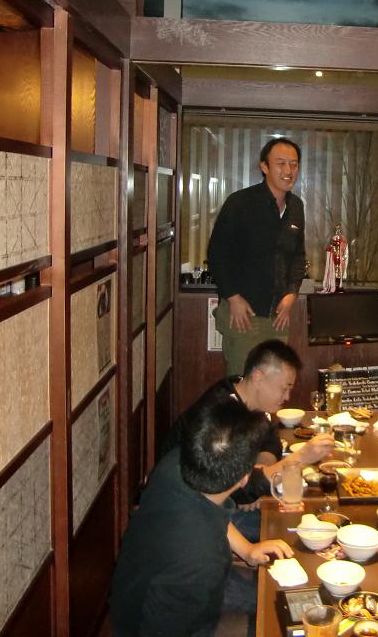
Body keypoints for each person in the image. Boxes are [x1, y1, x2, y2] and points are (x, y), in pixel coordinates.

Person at [110, 398, 294, 637]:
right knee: (277, 608)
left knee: (274, 595)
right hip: (148, 619)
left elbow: (214, 511)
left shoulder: (180, 462)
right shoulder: (202, 560)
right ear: (244, 478)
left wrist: (247, 549)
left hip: (137, 584)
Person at [161, 340, 334, 540]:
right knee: (288, 528)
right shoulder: (221, 415)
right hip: (191, 512)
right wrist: (300, 458)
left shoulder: (244, 393)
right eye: (284, 388)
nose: (287, 396)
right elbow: (231, 489)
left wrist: (258, 473)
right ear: (258, 377)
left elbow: (270, 439)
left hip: (220, 500)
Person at [207, 137, 306, 375]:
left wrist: (292, 294)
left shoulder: (296, 206)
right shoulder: (241, 202)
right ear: (264, 167)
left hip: (278, 316)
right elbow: (216, 254)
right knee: (244, 382)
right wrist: (233, 298)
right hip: (243, 313)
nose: (288, 170)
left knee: (275, 384)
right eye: (281, 163)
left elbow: (298, 256)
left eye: (293, 164)